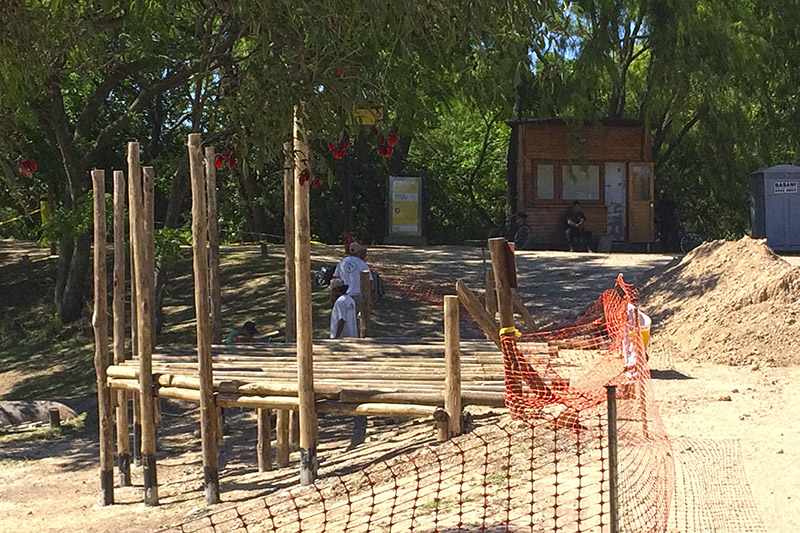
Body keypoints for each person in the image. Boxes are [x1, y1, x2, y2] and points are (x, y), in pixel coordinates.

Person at [332, 242, 372, 309]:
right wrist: (369, 296)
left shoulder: (342, 262)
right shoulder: (362, 264)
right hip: (358, 293)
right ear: (359, 252)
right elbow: (369, 280)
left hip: (343, 294)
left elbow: (335, 277)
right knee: (355, 313)